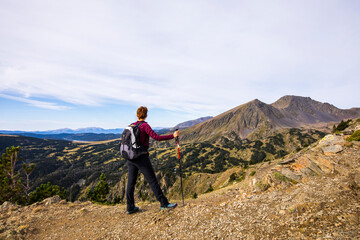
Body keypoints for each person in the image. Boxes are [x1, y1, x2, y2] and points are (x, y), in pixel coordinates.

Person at [126, 106, 179, 214]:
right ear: (146, 115)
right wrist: (172, 136)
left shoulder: (132, 125)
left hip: (130, 157)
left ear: (137, 115)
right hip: (141, 157)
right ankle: (164, 203)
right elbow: (157, 137)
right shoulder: (145, 126)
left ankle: (130, 207)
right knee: (152, 181)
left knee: (130, 183)